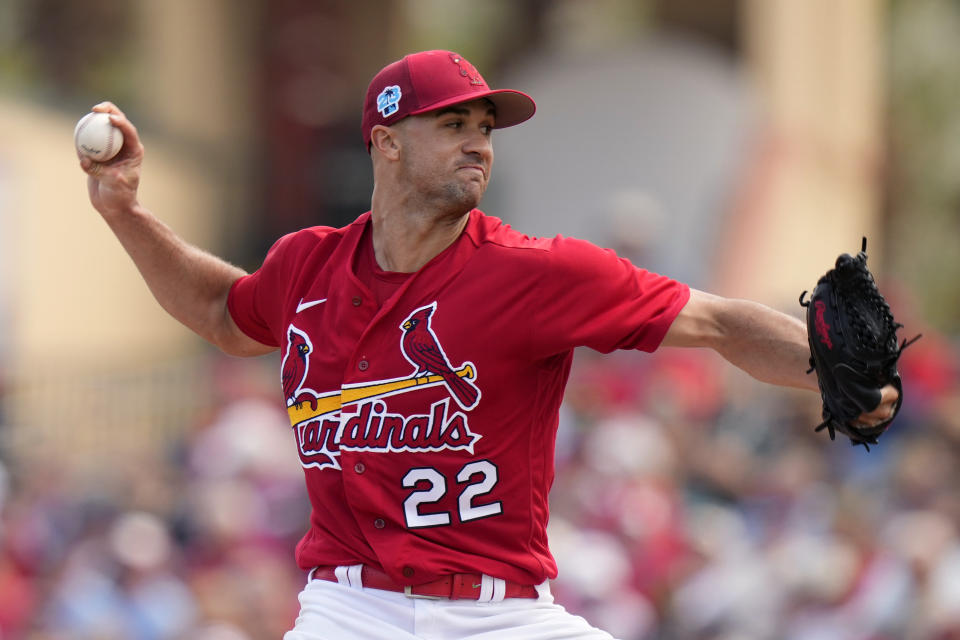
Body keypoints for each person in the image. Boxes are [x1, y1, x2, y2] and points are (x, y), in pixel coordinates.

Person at [78, 49, 900, 639]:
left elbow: (717, 321)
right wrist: (124, 213)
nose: (480, 141)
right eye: (455, 123)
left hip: (501, 611)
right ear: (387, 141)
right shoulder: (306, 267)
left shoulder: (537, 274)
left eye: (486, 126)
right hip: (349, 610)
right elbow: (224, 314)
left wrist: (833, 370)